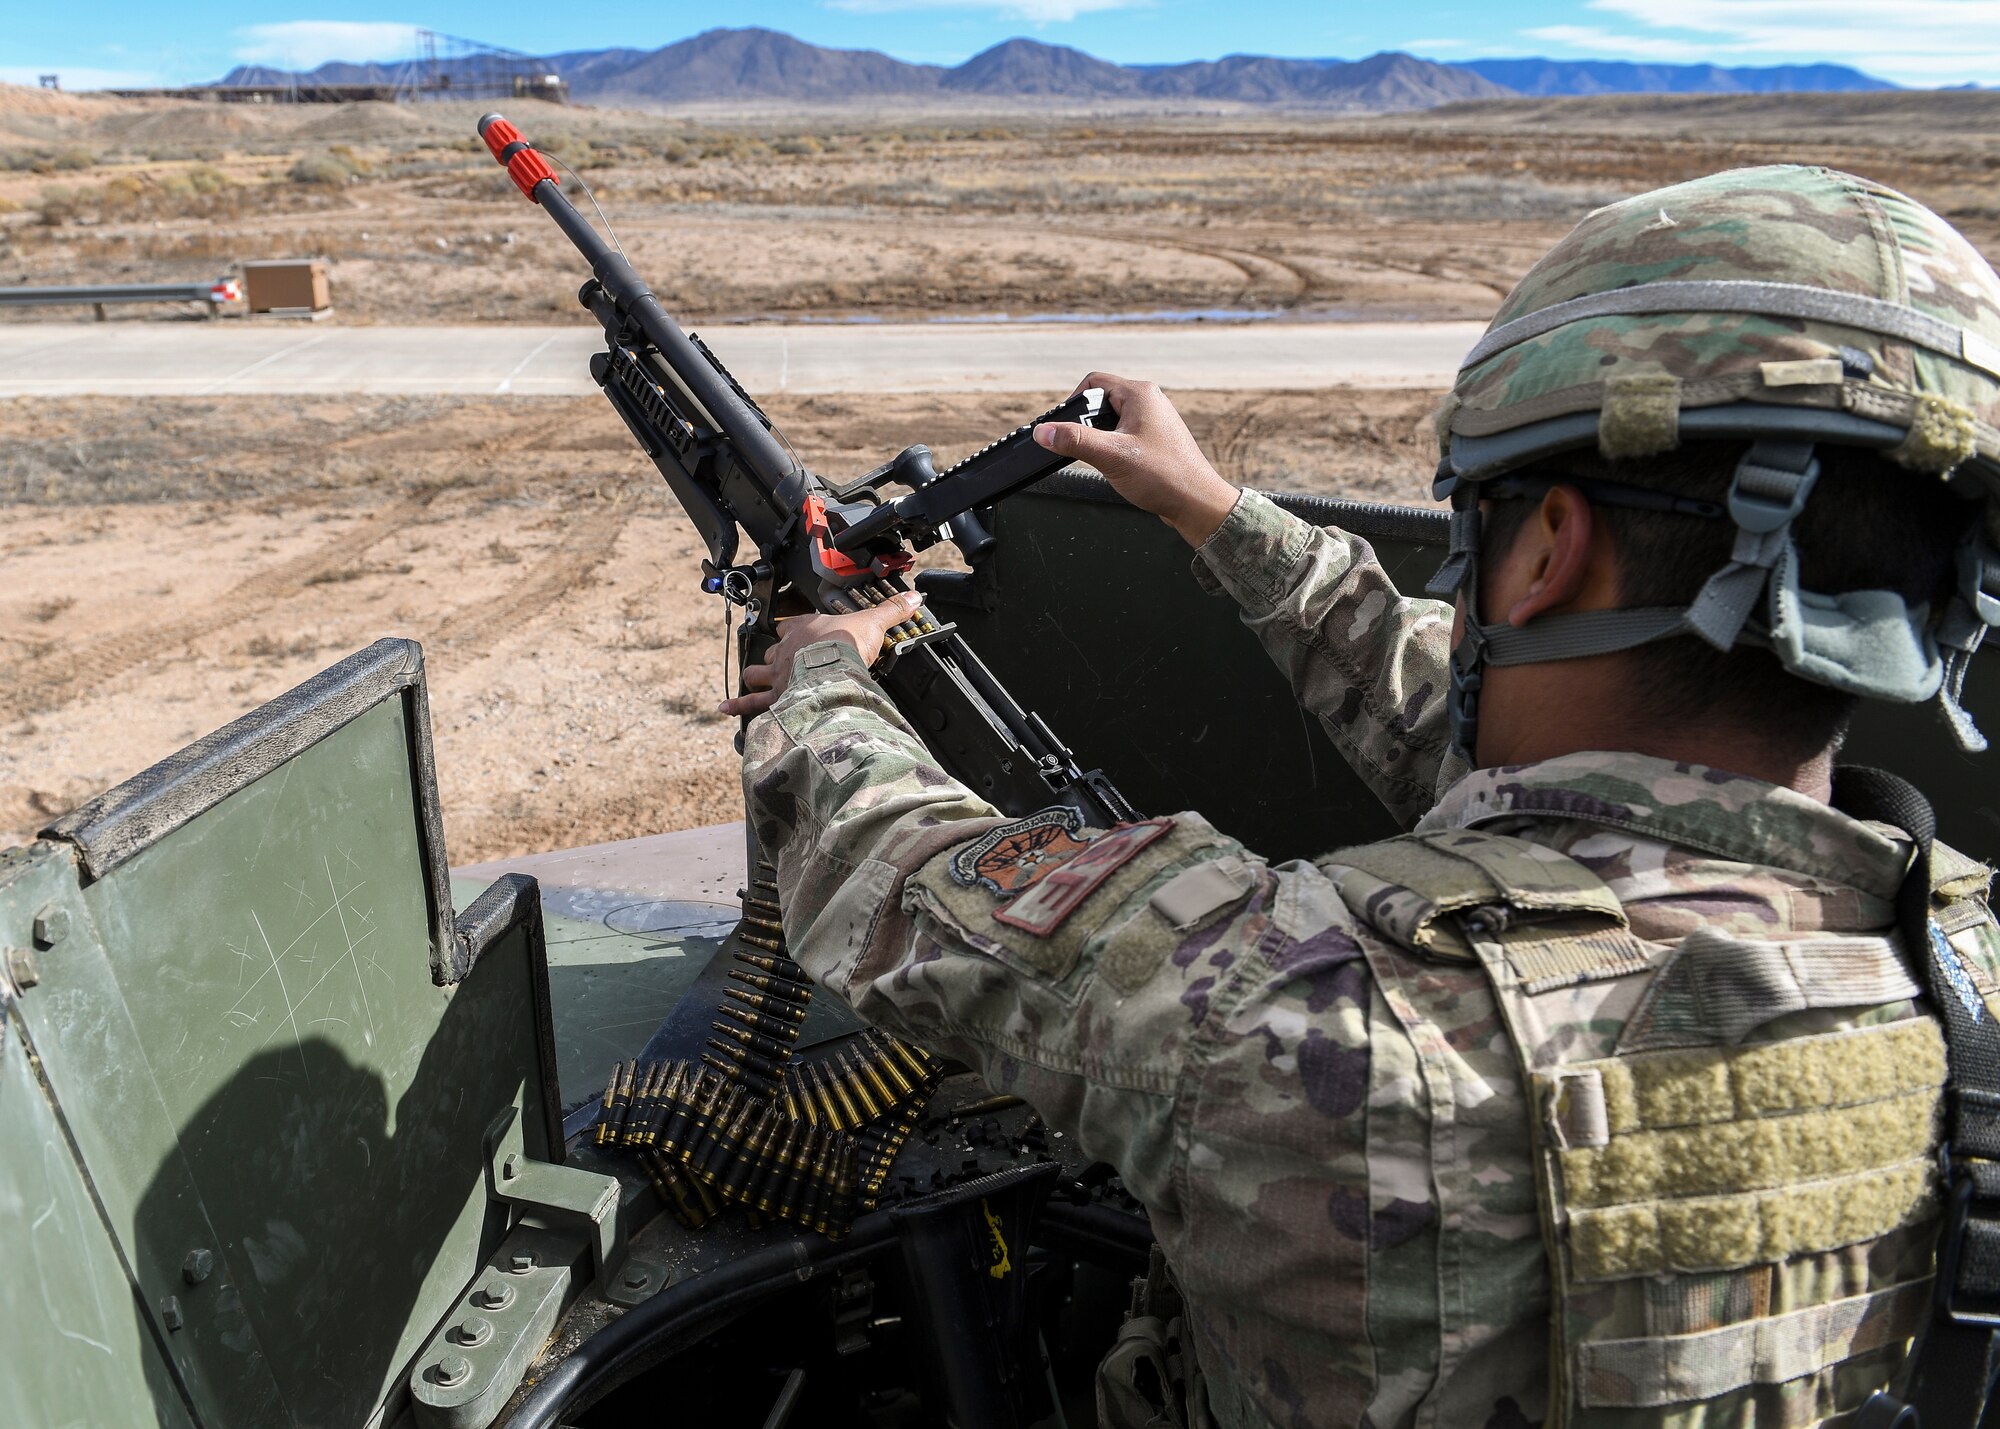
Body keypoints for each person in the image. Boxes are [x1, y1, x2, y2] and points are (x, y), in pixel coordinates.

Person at [724, 165, 2000, 1428]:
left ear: (1548, 548)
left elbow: (896, 875)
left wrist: (824, 681)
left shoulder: (1294, 1013)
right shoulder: (1971, 982)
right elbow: (1467, 741)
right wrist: (1213, 508)